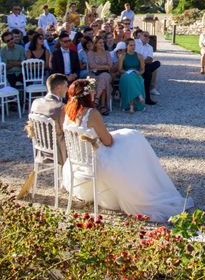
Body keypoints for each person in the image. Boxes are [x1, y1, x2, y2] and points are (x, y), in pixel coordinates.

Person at [61, 79, 190, 221]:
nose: (95, 92)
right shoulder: (91, 113)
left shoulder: (67, 112)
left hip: (77, 159)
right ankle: (145, 185)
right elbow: (108, 142)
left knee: (129, 136)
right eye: (92, 90)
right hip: (96, 159)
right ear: (87, 94)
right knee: (135, 143)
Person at [28, 73, 68, 164]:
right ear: (58, 87)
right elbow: (66, 132)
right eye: (66, 86)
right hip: (58, 153)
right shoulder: (61, 107)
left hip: (41, 149)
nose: (67, 89)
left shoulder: (36, 103)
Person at [117, 38, 146, 113]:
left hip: (136, 75)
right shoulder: (122, 56)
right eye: (131, 45)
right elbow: (120, 69)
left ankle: (131, 106)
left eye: (134, 45)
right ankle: (139, 95)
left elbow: (143, 69)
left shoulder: (139, 56)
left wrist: (139, 73)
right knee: (129, 78)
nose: (133, 47)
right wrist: (127, 72)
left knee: (132, 79)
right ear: (127, 46)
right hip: (125, 75)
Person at [87, 37, 113, 115]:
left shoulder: (107, 53)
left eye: (102, 42)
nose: (102, 44)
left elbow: (110, 65)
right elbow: (92, 65)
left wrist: (99, 66)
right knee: (103, 81)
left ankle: (97, 100)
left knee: (104, 76)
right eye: (100, 43)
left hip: (105, 74)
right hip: (93, 74)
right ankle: (102, 106)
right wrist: (104, 66)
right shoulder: (90, 53)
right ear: (95, 44)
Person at [136, 31, 161, 105]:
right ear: (140, 36)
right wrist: (142, 61)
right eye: (145, 35)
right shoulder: (135, 43)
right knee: (148, 72)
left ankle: (147, 97)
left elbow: (150, 59)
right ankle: (147, 98)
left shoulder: (150, 47)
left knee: (157, 63)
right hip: (136, 65)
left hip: (145, 65)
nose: (147, 38)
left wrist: (142, 61)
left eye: (148, 36)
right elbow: (133, 56)